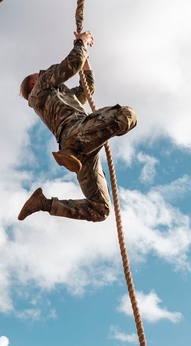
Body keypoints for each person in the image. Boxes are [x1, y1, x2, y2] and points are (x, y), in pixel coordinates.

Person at [17, 30, 138, 222]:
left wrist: (85, 52)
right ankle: (74, 149)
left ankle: (44, 203)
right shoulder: (39, 88)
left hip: (82, 147)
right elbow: (72, 65)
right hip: (76, 134)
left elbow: (87, 89)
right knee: (127, 115)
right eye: (39, 74)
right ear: (34, 82)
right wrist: (81, 42)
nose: (43, 73)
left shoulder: (57, 96)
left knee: (100, 210)